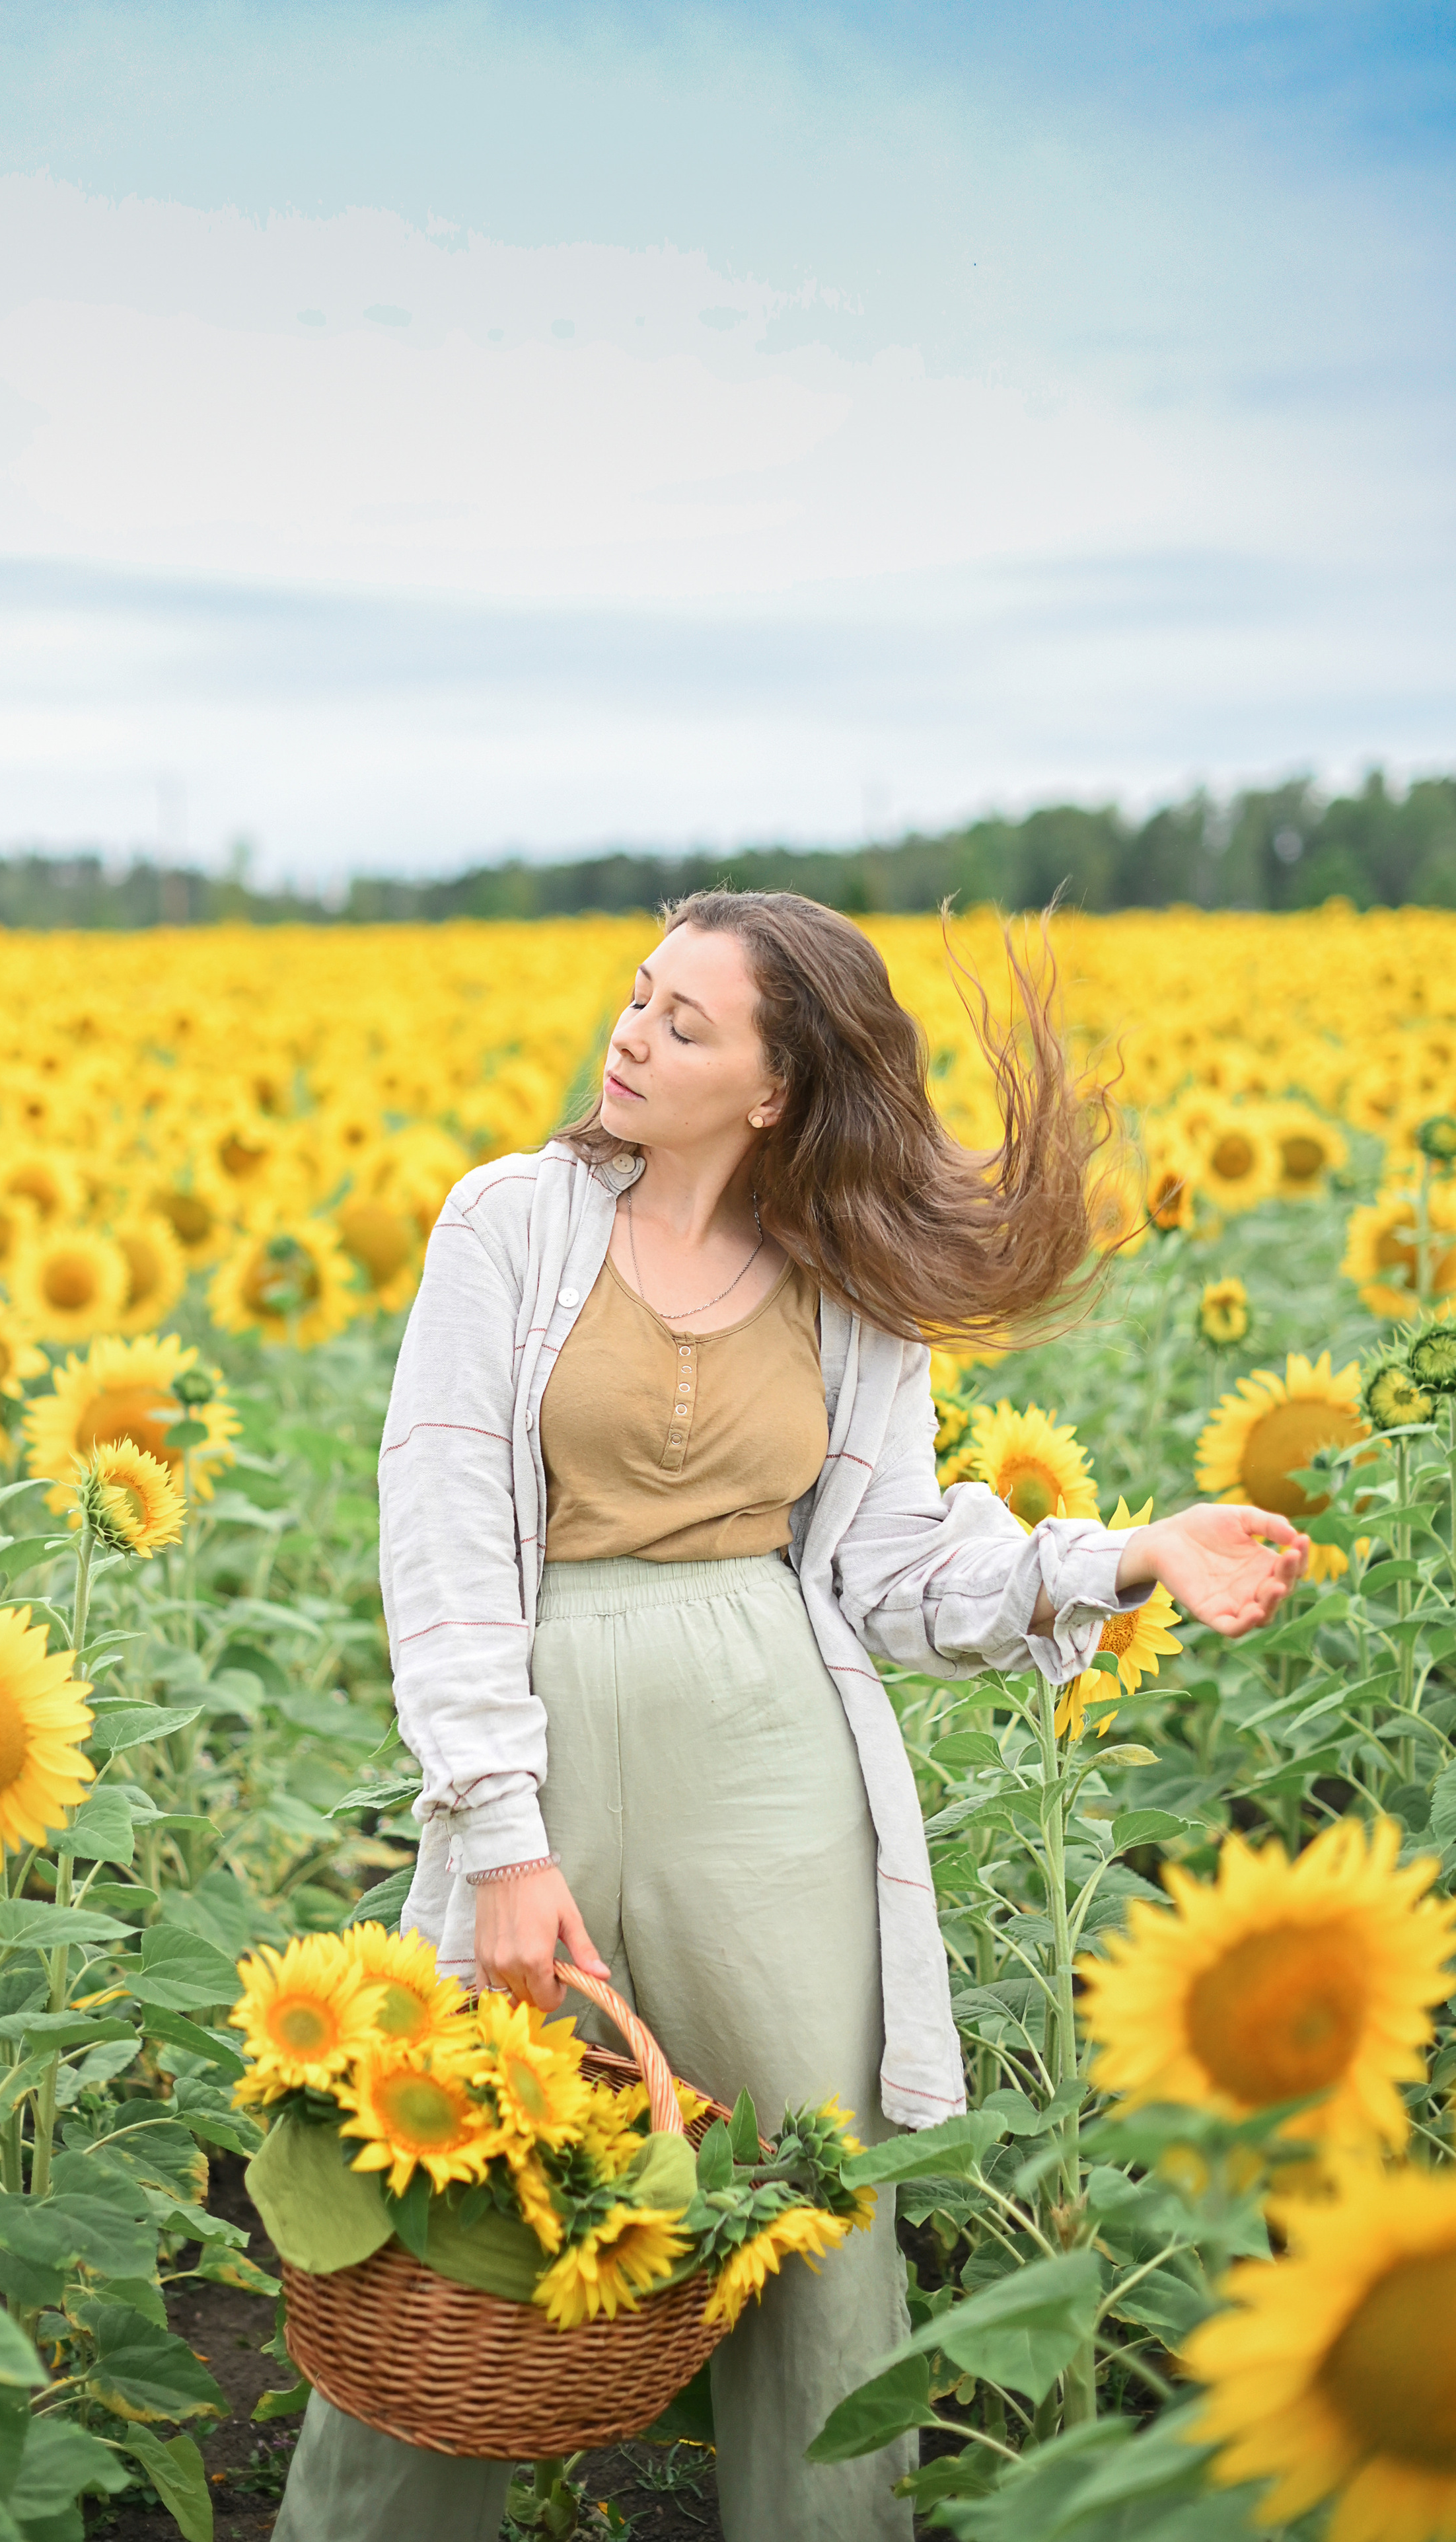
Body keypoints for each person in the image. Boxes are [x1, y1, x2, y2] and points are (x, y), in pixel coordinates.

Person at [273, 891, 1307, 2542]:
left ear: (772, 1087)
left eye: (684, 1022)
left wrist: (1125, 1556)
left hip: (771, 1760)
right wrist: (497, 1835)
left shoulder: (847, 1285)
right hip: (537, 1735)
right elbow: (444, 1541)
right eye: (634, 1000)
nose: (629, 1034)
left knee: (818, 2221)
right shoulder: (506, 1224)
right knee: (447, 2182)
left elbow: (895, 1571)